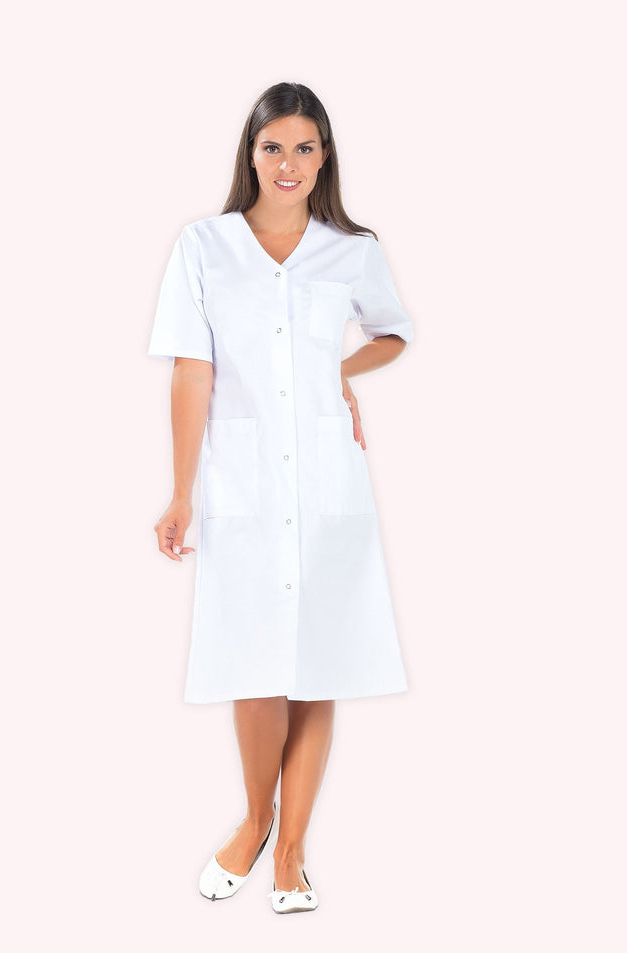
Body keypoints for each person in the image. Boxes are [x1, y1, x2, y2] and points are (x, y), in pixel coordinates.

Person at [148, 82, 414, 914]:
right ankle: (256, 817)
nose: (288, 163)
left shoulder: (352, 250)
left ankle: (292, 850)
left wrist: (340, 371)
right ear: (251, 153)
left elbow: (394, 332)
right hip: (243, 481)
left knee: (320, 662)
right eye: (273, 147)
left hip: (329, 481)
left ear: (324, 156)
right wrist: (181, 492)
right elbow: (192, 370)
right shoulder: (205, 246)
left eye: (304, 148)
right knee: (253, 662)